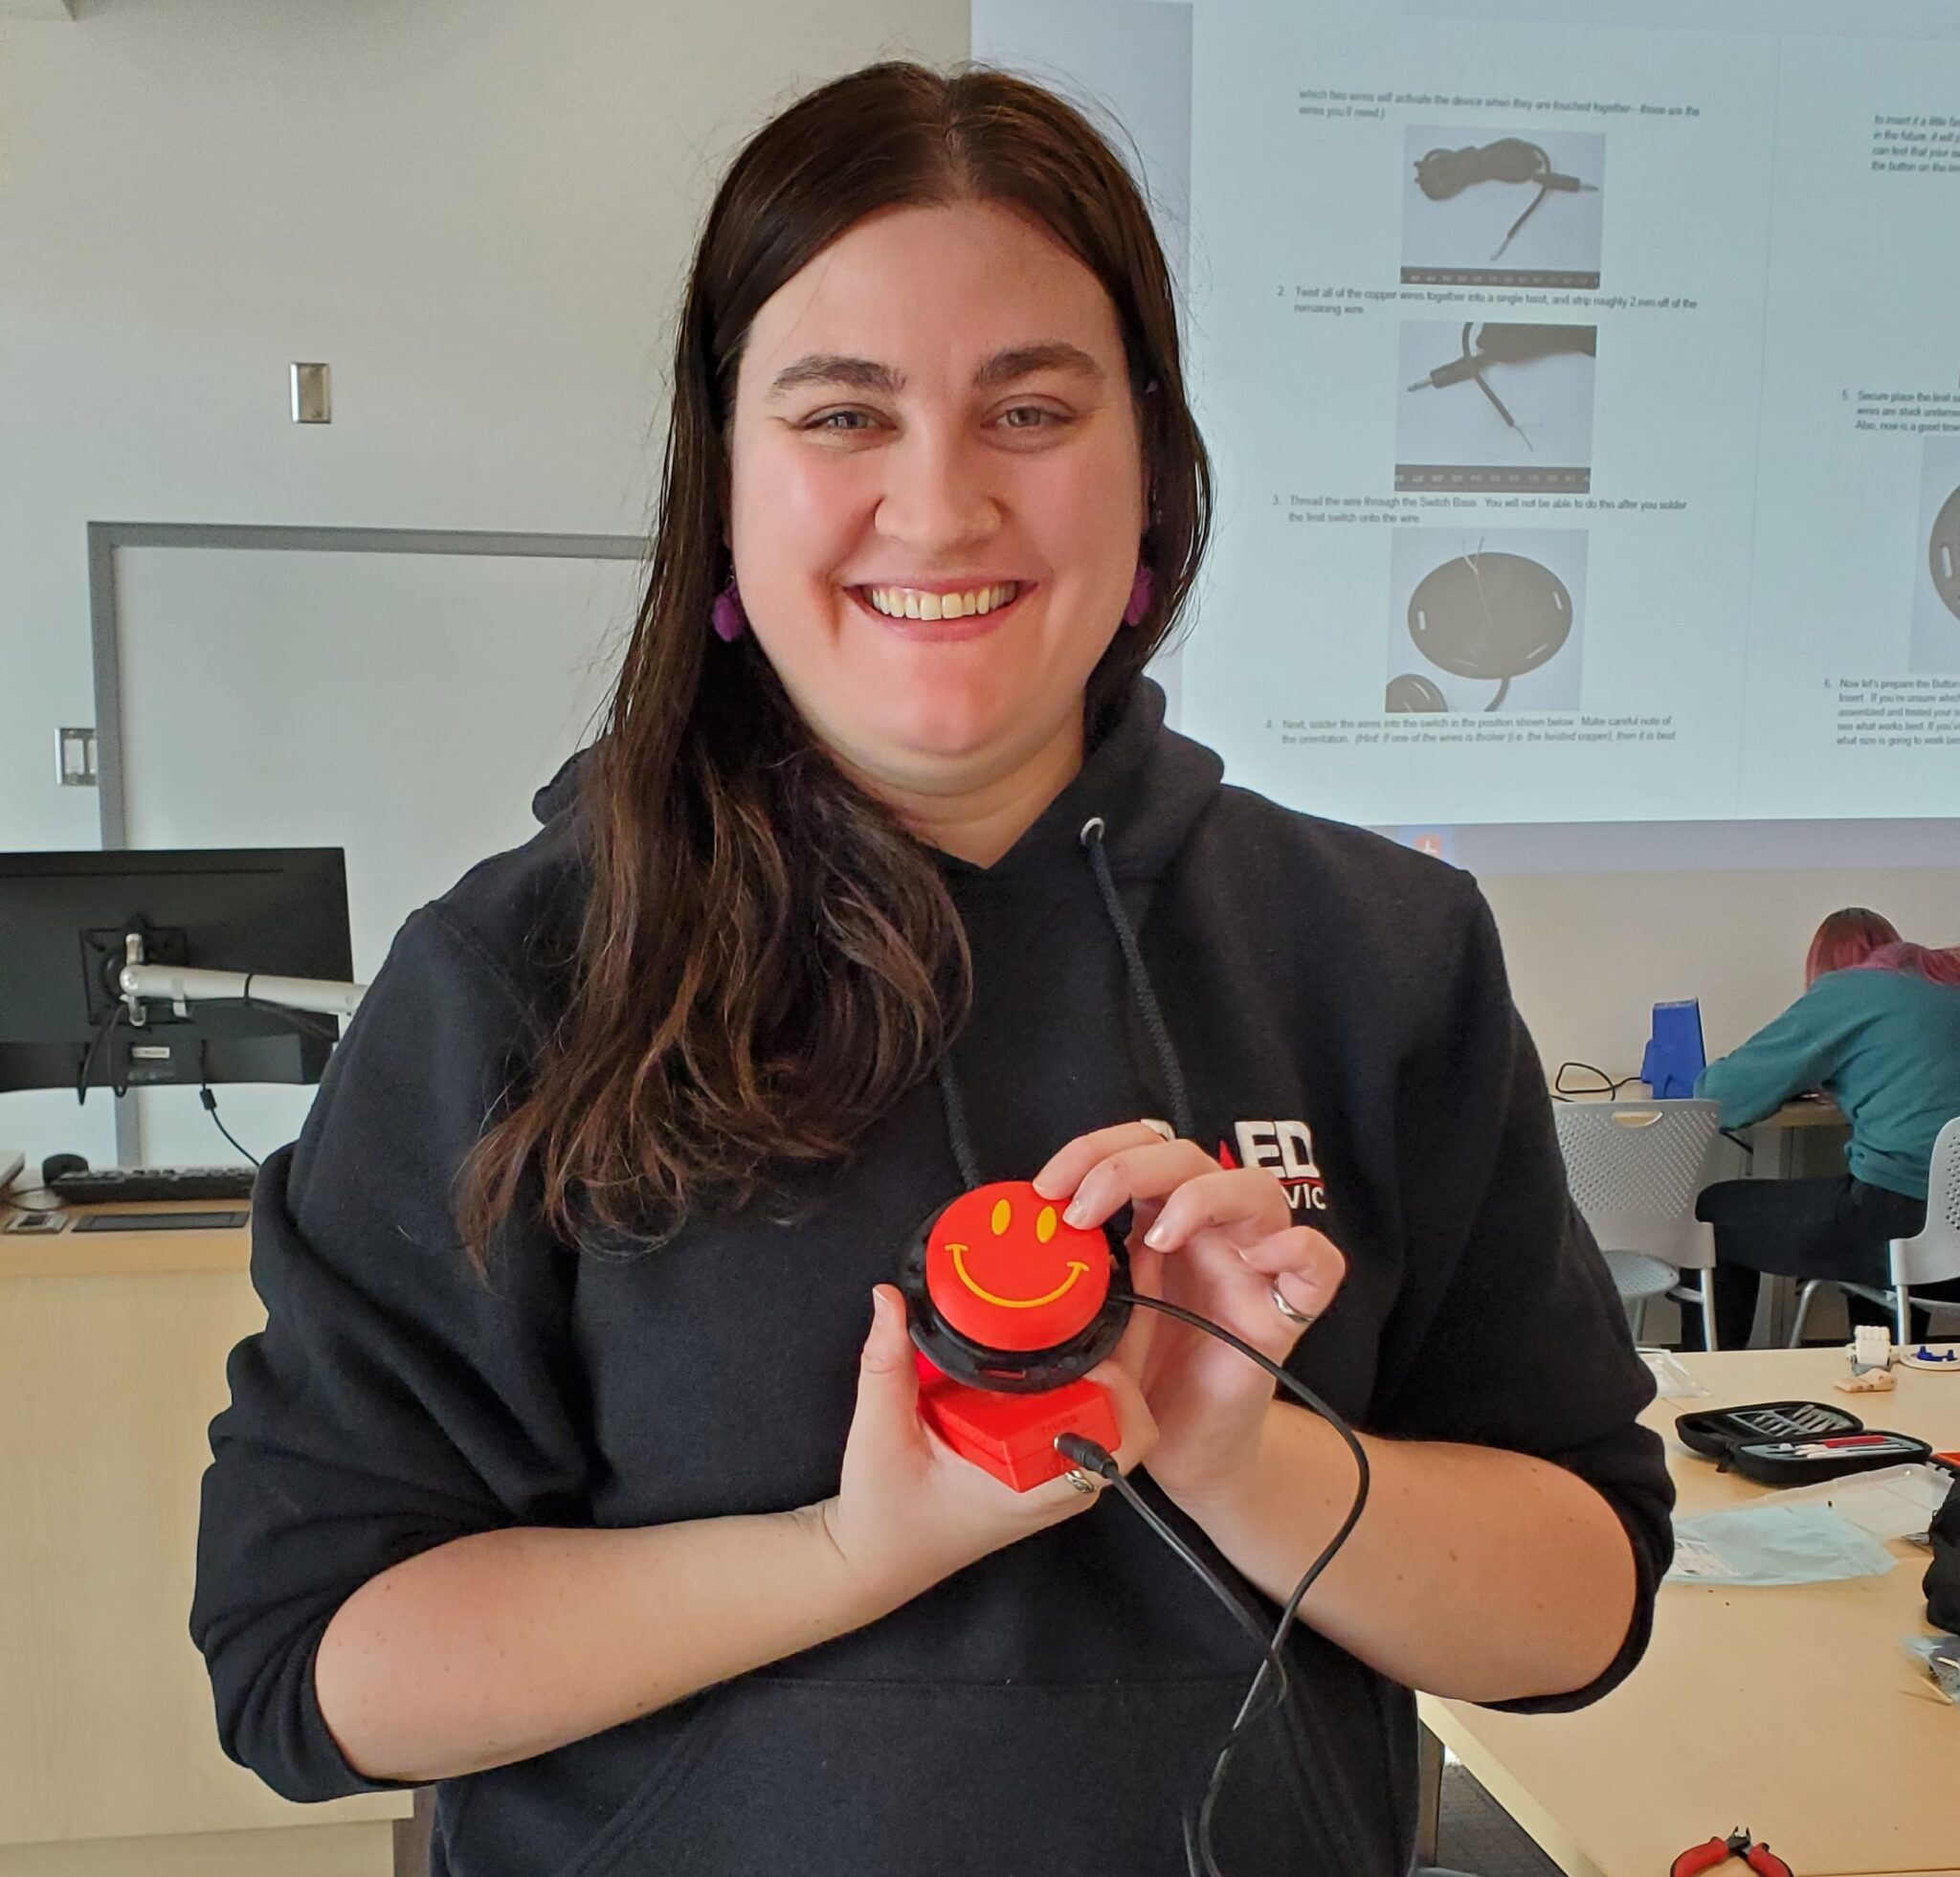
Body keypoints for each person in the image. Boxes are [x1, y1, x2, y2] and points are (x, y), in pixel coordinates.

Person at [189, 61, 1671, 1877]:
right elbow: (307, 1666)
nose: (939, 504)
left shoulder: (1376, 953)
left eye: (1028, 408)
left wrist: (1233, 1454)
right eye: (839, 415)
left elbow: (1578, 1608)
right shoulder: (518, 974)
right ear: (723, 488)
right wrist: (845, 1555)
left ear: (1150, 472)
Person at [1692, 907, 1960, 1349]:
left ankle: (1708, 1384)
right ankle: (1888, 1370)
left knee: (1715, 1212)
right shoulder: (1943, 981)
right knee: (1876, 1214)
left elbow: (1721, 1098)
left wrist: (1809, 1072)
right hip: (1943, 1251)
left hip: (1903, 1224)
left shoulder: (1850, 989)